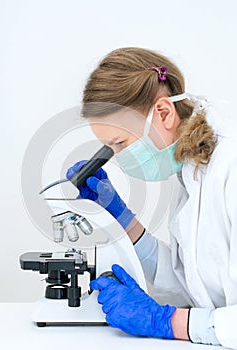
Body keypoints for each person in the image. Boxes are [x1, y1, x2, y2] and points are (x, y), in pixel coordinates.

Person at [66, 47, 237, 349]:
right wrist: (121, 217)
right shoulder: (193, 171)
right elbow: (192, 287)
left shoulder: (231, 166)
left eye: (119, 143)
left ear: (163, 113)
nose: (117, 157)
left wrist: (165, 322)